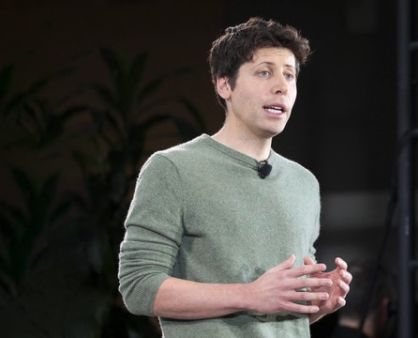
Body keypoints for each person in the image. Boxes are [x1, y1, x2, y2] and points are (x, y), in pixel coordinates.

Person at [118, 17, 352, 337]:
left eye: (289, 75)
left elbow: (279, 308)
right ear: (224, 84)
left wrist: (316, 305)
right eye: (264, 72)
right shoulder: (172, 169)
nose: (281, 86)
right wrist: (250, 295)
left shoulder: (304, 183)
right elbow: (139, 286)